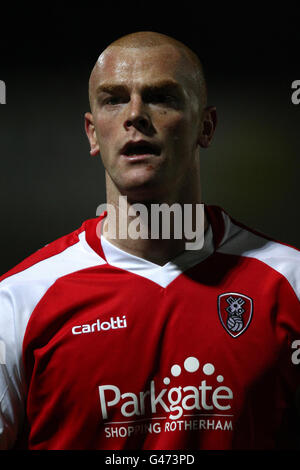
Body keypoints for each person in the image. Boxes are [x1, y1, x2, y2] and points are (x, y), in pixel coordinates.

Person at [0, 31, 299, 451]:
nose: (135, 114)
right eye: (114, 99)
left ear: (206, 126)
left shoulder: (291, 285)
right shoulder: (17, 303)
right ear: (91, 133)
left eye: (162, 97)